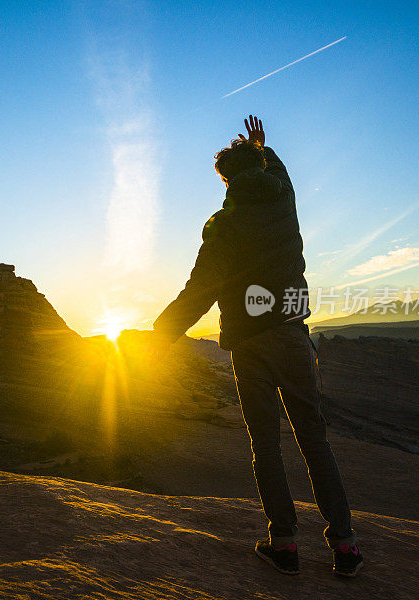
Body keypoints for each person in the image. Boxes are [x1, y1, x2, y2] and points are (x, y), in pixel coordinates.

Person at [148, 115, 363, 578]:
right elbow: (278, 173)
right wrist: (264, 147)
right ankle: (345, 547)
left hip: (250, 343)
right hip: (291, 334)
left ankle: (284, 544)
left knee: (265, 443)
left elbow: (199, 290)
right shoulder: (283, 199)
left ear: (225, 178)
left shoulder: (223, 225)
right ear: (260, 165)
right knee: (314, 439)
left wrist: (159, 336)